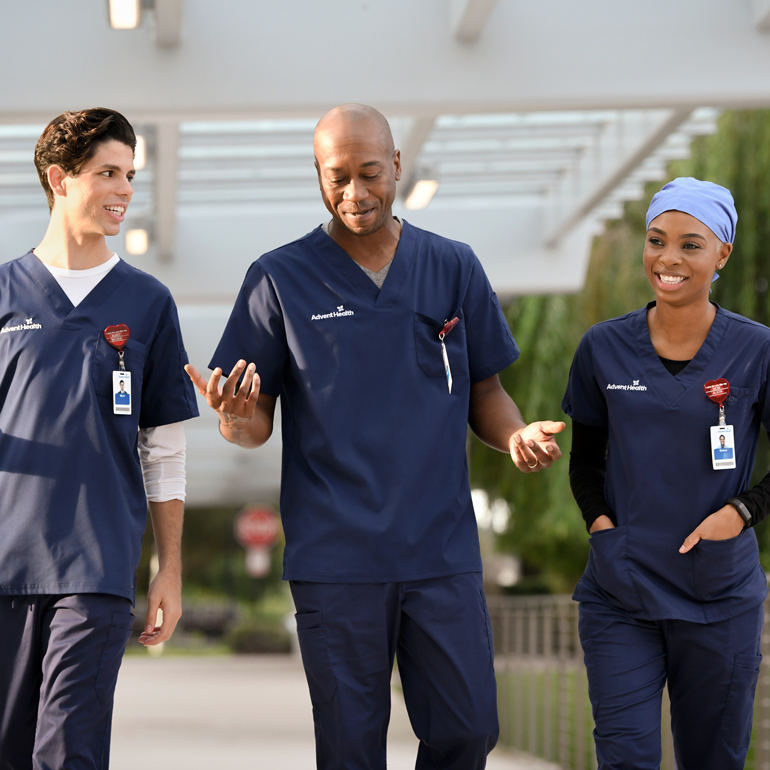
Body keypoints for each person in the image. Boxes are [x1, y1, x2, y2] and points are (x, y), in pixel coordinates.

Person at [186, 103, 565, 770]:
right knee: (350, 749)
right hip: (337, 559)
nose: (354, 194)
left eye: (369, 174)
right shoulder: (278, 278)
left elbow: (487, 392)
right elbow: (254, 424)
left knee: (468, 728)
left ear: (396, 166)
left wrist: (513, 437)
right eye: (336, 178)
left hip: (439, 549)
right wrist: (231, 415)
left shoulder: (453, 266)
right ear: (317, 175)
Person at [0, 108, 198, 769]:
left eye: (130, 176)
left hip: (96, 568)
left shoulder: (148, 303)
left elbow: (164, 452)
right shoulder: (2, 294)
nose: (124, 191)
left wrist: (167, 567)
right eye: (107, 173)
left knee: (68, 752)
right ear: (59, 179)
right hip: (4, 565)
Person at [564, 177, 769, 770]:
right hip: (621, 590)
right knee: (625, 756)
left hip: (719, 594)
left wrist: (741, 512)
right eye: (656, 240)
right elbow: (586, 460)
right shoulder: (602, 348)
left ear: (722, 254)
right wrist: (601, 525)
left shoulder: (756, 351)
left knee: (715, 758)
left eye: (690, 244)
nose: (668, 259)